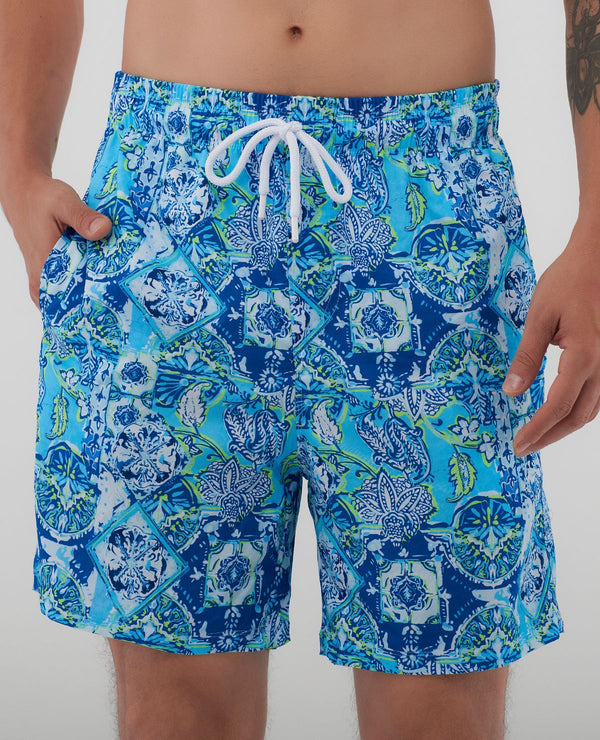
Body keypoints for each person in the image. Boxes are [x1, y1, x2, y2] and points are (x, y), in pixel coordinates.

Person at [0, 0, 598, 738]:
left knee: (443, 711)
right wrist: (18, 166)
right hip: (172, 211)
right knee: (176, 715)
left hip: (427, 208)